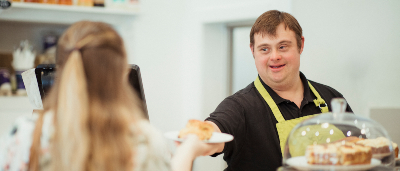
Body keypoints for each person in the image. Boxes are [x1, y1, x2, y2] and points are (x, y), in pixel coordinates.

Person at [0, 21, 211, 171]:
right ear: (122, 72)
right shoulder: (144, 140)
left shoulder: (26, 133)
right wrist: (189, 151)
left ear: (62, 69)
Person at [203, 10, 353, 170]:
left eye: (282, 47)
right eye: (264, 49)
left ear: (300, 45)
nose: (274, 56)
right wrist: (195, 140)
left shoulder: (331, 97)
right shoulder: (239, 107)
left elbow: (359, 150)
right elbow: (213, 132)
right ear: (252, 50)